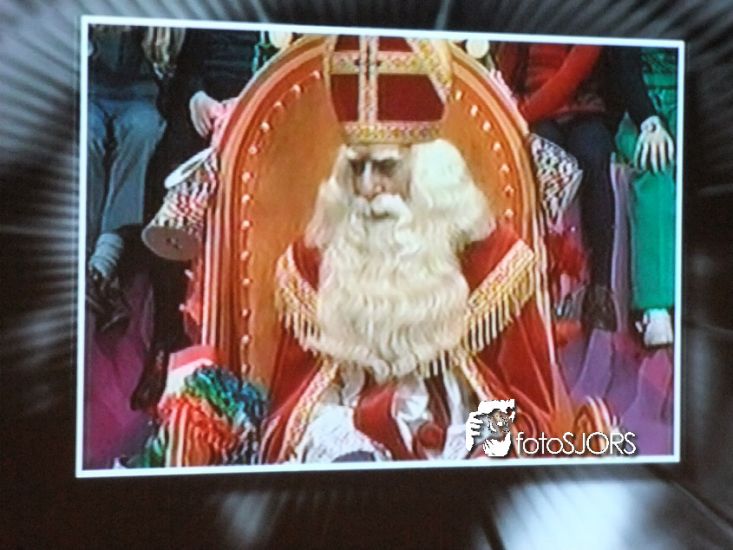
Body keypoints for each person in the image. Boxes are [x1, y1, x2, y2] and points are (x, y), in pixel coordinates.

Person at [262, 37, 561, 463]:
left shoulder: (493, 259)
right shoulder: (312, 263)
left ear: (427, 171)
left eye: (385, 167)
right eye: (356, 168)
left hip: (460, 443)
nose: (368, 188)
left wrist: (482, 454)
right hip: (348, 442)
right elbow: (295, 406)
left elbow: (517, 397)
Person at [494, 43, 619, 332]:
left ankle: (599, 292)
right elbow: (507, 69)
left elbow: (568, 78)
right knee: (542, 157)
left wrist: (518, 116)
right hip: (539, 118)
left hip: (582, 111)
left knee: (593, 157)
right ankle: (543, 286)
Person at [86, 25, 183, 332]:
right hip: (89, 87)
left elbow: (168, 59)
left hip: (139, 94)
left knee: (143, 130)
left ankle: (102, 266)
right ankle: (95, 270)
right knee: (87, 136)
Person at [612, 47, 677, 347]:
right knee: (655, 163)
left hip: (693, 102)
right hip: (646, 108)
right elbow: (624, 67)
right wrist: (648, 120)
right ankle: (656, 308)